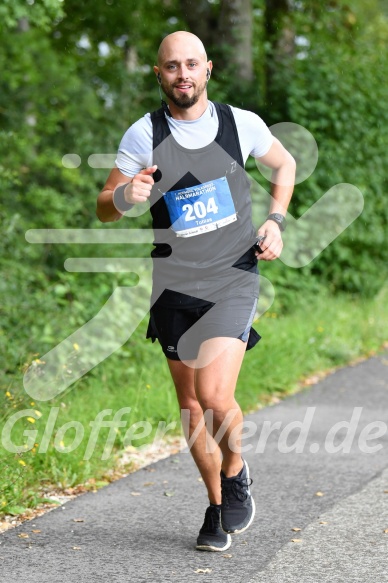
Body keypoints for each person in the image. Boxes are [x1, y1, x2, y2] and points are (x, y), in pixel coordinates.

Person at [97, 31, 295, 552]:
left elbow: (285, 165)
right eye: (171, 66)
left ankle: (236, 467)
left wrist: (275, 221)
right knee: (190, 406)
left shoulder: (240, 124)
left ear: (207, 68)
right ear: (158, 74)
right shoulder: (144, 133)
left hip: (232, 274)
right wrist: (124, 193)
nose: (182, 74)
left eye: (191, 64)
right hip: (174, 285)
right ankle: (216, 506)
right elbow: (103, 205)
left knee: (213, 396)